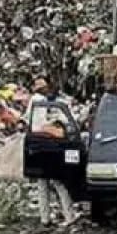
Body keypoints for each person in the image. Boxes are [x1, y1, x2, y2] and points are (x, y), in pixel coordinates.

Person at [25, 78, 77, 226]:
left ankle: (45, 219)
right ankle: (69, 217)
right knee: (59, 183)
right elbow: (45, 125)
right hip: (49, 147)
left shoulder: (34, 102)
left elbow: (30, 122)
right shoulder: (43, 101)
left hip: (37, 146)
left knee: (42, 185)